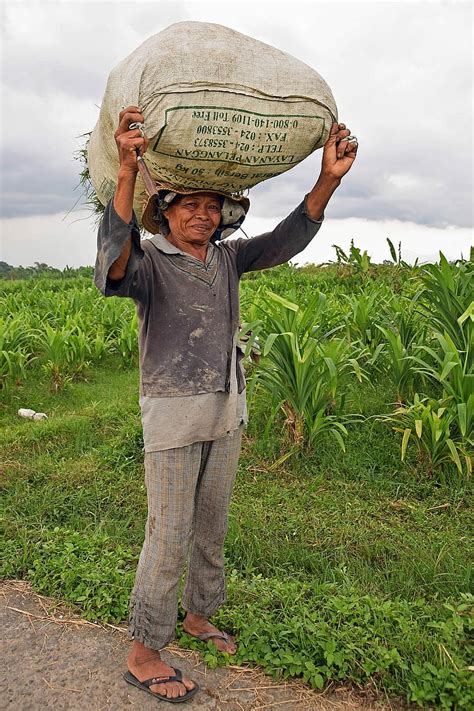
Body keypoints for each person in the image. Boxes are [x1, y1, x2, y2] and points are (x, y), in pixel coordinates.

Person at [94, 105, 358, 703]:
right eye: (190, 205)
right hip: (173, 418)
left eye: (213, 207)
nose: (204, 216)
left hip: (226, 411)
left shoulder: (228, 259)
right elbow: (111, 258)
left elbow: (285, 241)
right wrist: (128, 173)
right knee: (168, 534)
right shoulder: (147, 263)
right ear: (165, 213)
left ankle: (198, 615)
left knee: (211, 527)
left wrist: (328, 181)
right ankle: (143, 650)